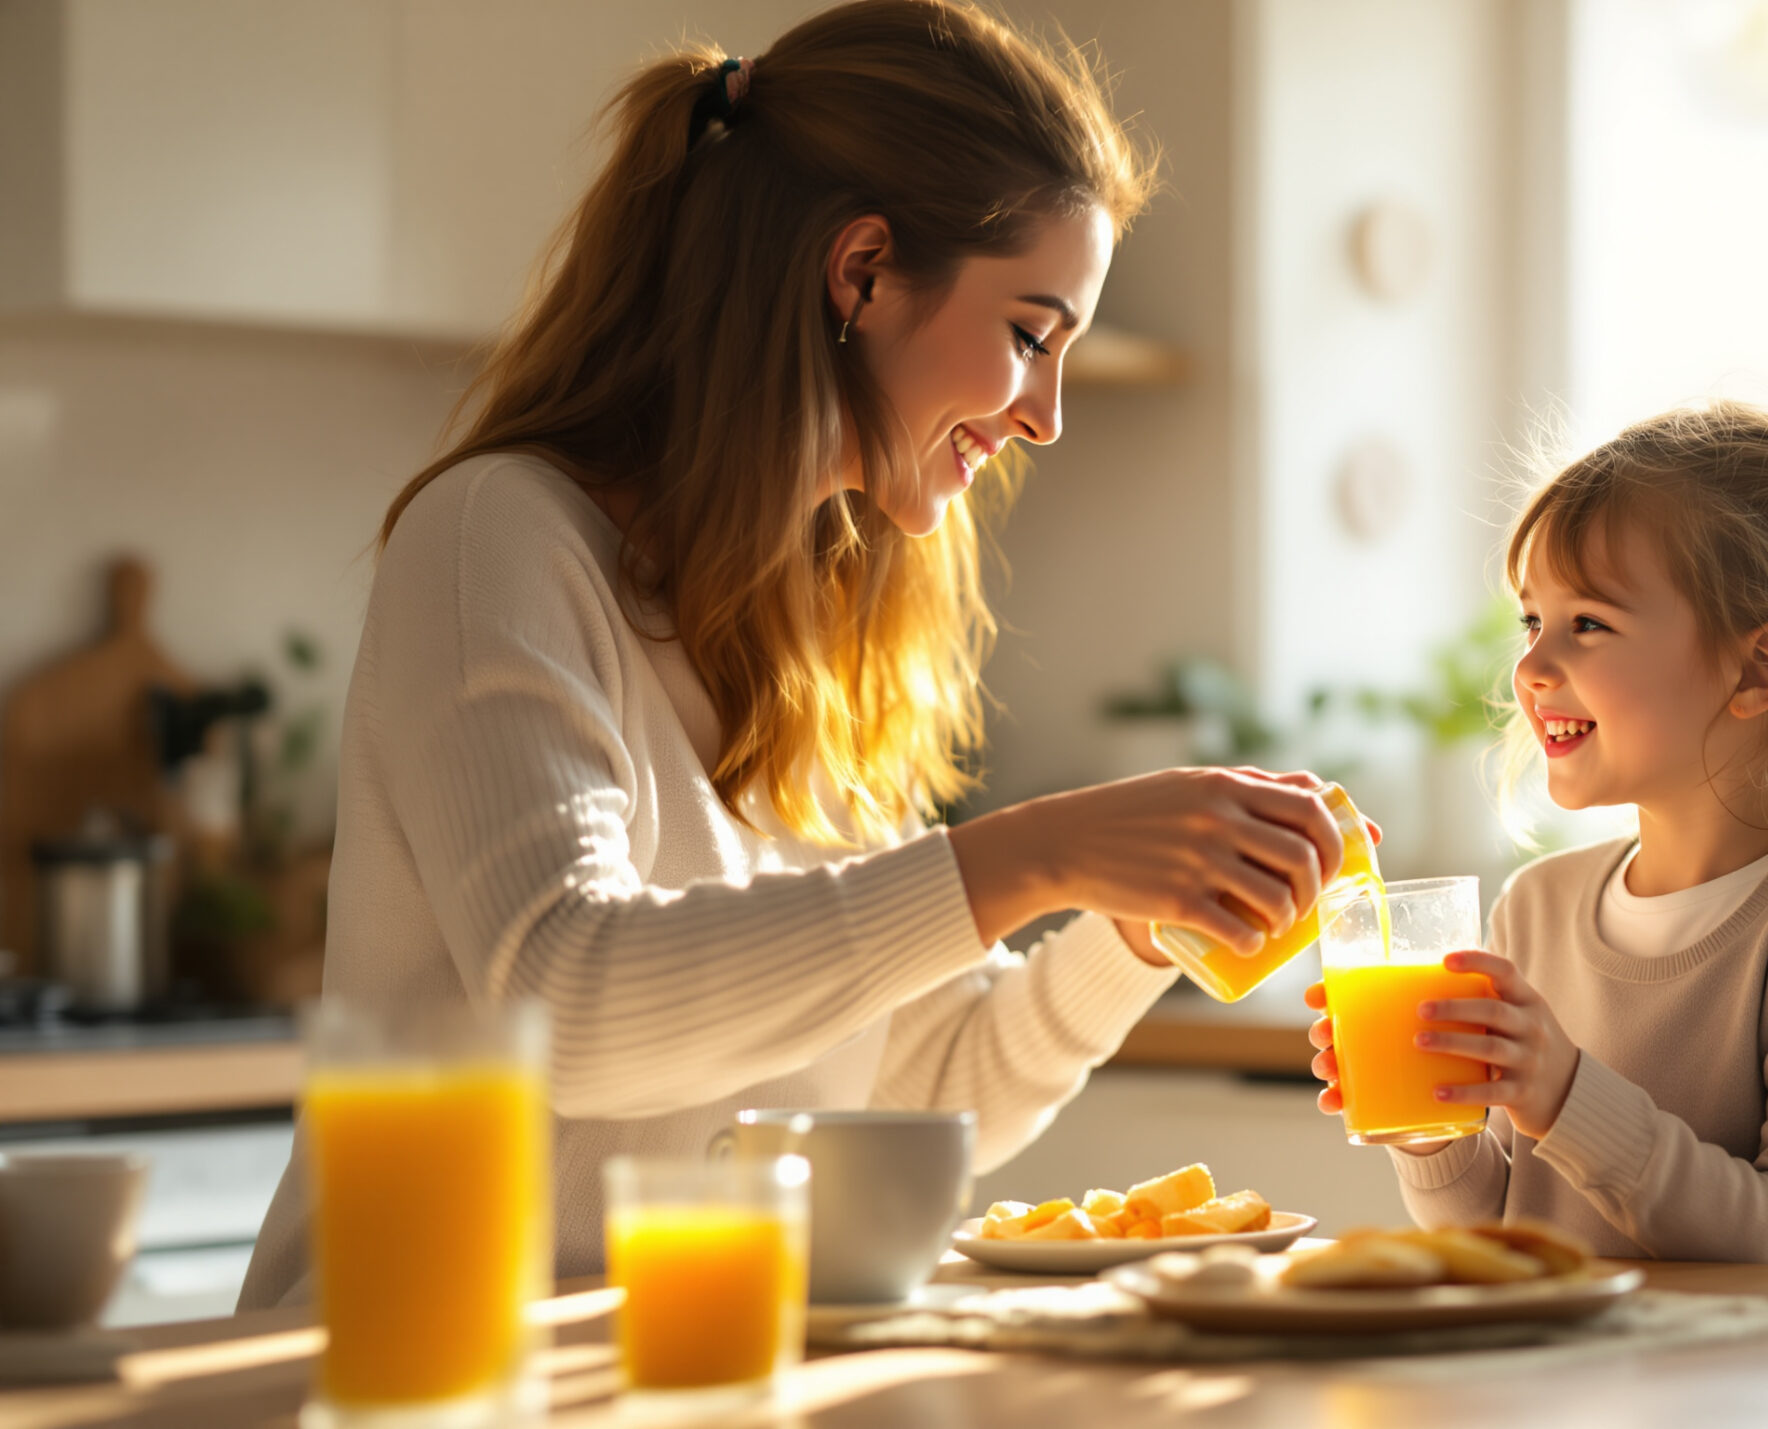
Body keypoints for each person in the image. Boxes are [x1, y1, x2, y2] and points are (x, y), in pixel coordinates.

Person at [241, 0, 1353, 1305]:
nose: (1046, 414)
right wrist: (1032, 853)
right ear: (863, 270)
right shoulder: (498, 539)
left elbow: (925, 1081)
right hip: (416, 1372)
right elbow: (567, 998)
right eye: (1029, 334)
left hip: (671, 1368)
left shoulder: (832, 626)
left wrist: (1134, 934)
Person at [1306, 402, 1768, 1269]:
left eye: (1590, 624)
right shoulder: (1539, 906)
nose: (1530, 668)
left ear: (1759, 669)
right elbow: (1509, 1243)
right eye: (1533, 621)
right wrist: (1429, 1126)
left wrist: (1566, 1093)